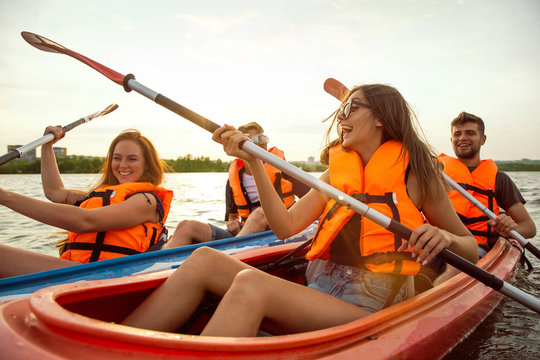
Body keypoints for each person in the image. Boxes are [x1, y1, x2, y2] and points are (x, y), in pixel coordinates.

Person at [120, 83, 477, 337]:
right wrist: (256, 164)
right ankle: (112, 346)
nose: (342, 117)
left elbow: (470, 247)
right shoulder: (336, 173)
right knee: (203, 259)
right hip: (318, 287)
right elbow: (287, 226)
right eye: (342, 109)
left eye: (351, 108)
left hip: (369, 305)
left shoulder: (418, 173)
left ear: (381, 118)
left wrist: (444, 236)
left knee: (251, 285)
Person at [0, 127, 173, 278]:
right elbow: (54, 192)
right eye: (117, 158)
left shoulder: (147, 202)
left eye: (132, 159)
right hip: (83, 272)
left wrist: (5, 196)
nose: (122, 165)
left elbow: (86, 221)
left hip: (105, 277)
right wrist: (48, 146)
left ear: (148, 165)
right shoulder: (102, 198)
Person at [163, 121, 309, 248]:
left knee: (260, 213)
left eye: (264, 137)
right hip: (246, 235)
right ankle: (156, 271)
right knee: (186, 226)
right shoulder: (234, 179)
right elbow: (231, 216)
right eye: (258, 139)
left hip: (281, 235)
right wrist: (232, 223)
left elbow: (313, 199)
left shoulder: (283, 169)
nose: (263, 142)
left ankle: (226, 256)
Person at [438, 112, 536, 257]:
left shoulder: (499, 179)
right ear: (451, 139)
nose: (462, 138)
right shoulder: (437, 175)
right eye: (457, 134)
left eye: (470, 133)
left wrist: (507, 230)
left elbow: (529, 227)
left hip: (478, 249)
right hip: (438, 242)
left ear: (483, 139)